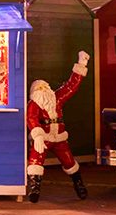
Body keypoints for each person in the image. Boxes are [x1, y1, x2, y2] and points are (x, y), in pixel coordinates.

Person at [26, 51, 90, 203]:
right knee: (36, 159)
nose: (43, 90)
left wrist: (81, 64)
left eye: (45, 87)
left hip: (59, 137)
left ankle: (78, 184)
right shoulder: (34, 104)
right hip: (44, 137)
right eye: (40, 88)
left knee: (69, 161)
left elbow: (71, 87)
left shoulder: (56, 99)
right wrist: (37, 135)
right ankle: (34, 188)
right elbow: (31, 118)